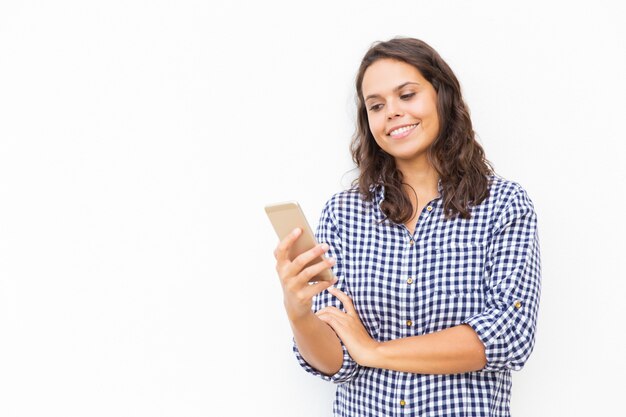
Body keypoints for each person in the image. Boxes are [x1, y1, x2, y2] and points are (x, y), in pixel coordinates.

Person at [273, 37, 541, 417]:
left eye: (407, 95)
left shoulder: (504, 206)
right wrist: (298, 310)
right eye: (377, 105)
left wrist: (376, 351)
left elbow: (508, 335)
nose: (392, 113)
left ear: (441, 96)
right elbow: (336, 361)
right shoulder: (344, 213)